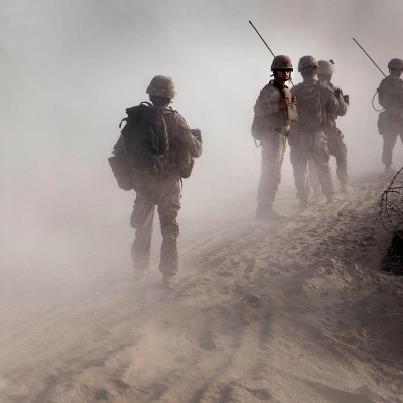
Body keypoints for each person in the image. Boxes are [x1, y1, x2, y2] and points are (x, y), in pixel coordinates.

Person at [113, 75, 202, 287]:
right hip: (168, 181)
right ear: (171, 96)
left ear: (150, 93)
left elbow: (119, 150)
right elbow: (196, 150)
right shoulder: (177, 120)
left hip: (143, 180)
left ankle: (139, 269)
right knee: (169, 227)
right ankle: (167, 275)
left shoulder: (137, 119)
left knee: (143, 225)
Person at [289, 55, 339, 207]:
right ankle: (329, 196)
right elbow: (334, 108)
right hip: (318, 135)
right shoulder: (325, 89)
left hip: (300, 137)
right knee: (323, 166)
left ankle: (303, 199)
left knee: (300, 168)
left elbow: (290, 114)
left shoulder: (294, 90)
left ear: (301, 71)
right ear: (316, 70)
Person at [252, 55, 297, 219]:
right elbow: (258, 109)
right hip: (271, 136)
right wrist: (279, 106)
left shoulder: (286, 89)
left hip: (282, 136)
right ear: (275, 71)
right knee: (270, 172)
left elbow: (290, 115)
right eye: (282, 71)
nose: (285, 74)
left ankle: (266, 207)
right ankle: (264, 209)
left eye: (288, 70)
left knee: (275, 172)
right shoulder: (269, 90)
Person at [377, 58, 403, 175]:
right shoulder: (400, 83)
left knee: (388, 143)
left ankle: (387, 168)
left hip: (387, 117)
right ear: (399, 69)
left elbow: (381, 102)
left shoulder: (383, 82)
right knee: (389, 142)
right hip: (400, 117)